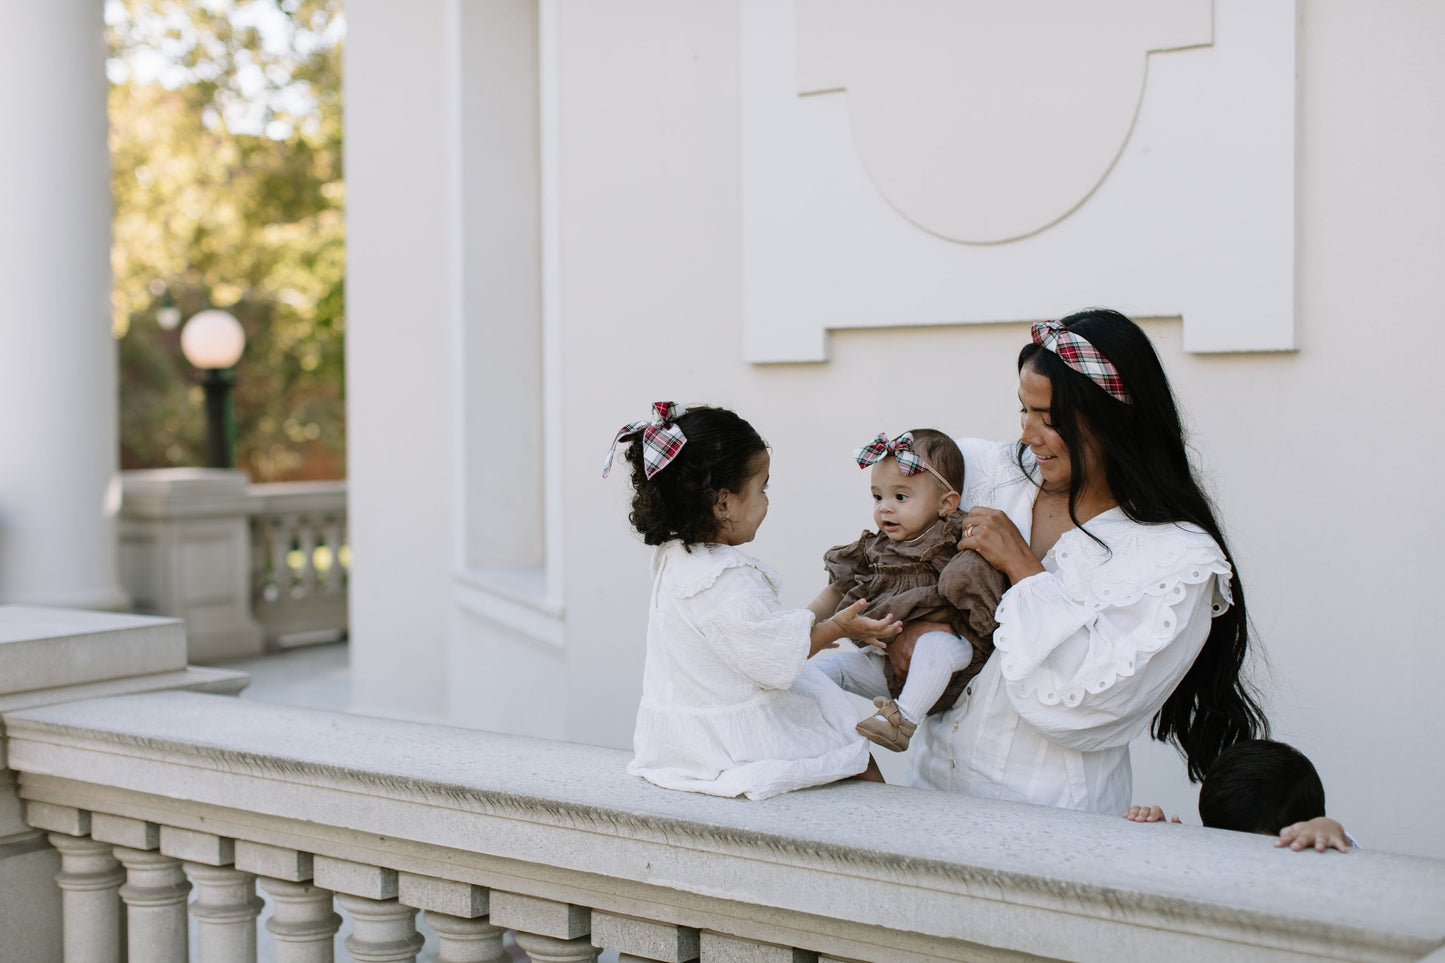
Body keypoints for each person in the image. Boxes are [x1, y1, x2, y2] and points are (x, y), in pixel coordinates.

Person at [894, 308, 1268, 814]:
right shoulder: (986, 473)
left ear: (1114, 422)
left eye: (1050, 420)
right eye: (1024, 410)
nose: (1028, 434)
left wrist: (1023, 567)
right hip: (926, 799)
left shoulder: (1177, 558)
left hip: (1054, 825)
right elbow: (894, 543)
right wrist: (905, 631)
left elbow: (1087, 709)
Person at [605, 402, 902, 800]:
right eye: (762, 488)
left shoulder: (676, 558)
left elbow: (761, 636)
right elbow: (772, 658)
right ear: (723, 503)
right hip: (729, 743)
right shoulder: (729, 577)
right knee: (848, 747)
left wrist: (835, 595)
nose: (766, 501)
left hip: (682, 738)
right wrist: (836, 628)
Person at [809, 429, 1007, 751]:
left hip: (949, 663)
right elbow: (836, 590)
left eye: (900, 497)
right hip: (889, 668)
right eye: (878, 497)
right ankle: (808, 723)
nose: (885, 508)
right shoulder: (875, 548)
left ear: (946, 504)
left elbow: (982, 595)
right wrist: (803, 625)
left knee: (934, 644)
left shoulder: (953, 542)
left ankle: (902, 722)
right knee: (819, 670)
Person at [1124, 739, 1353, 852]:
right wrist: (1165, 841)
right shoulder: (1214, 851)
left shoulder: (1313, 843)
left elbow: (1337, 841)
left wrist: (1326, 828)